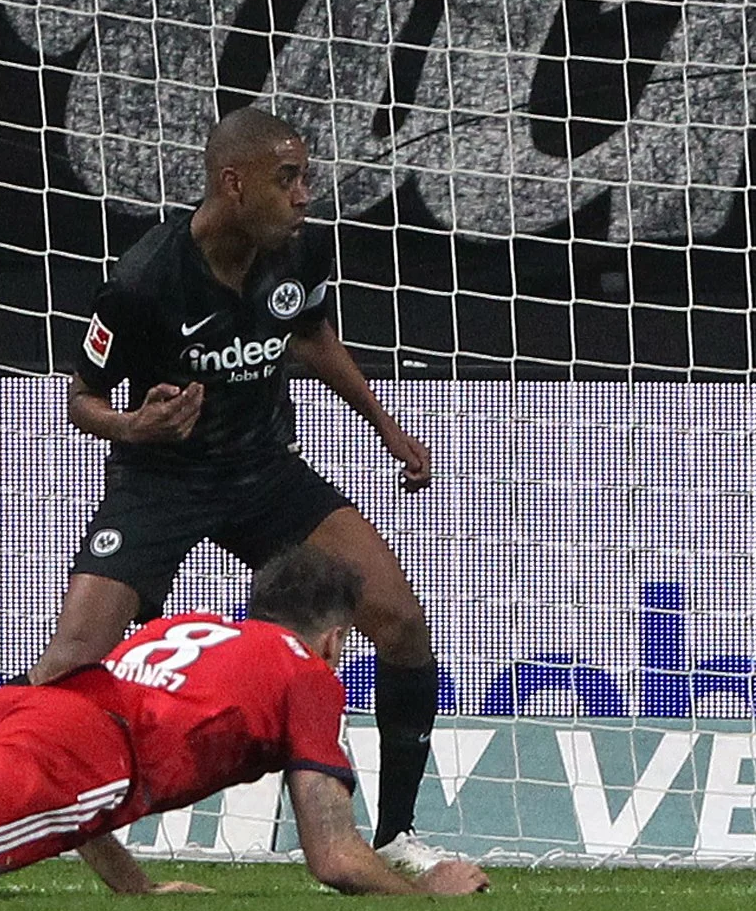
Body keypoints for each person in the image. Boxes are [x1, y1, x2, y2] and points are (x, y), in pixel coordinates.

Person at [28, 106, 445, 870]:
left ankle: (397, 836)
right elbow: (82, 399)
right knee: (72, 659)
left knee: (402, 623)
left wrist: (386, 426)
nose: (304, 194)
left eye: (306, 177)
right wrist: (134, 426)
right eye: (288, 179)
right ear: (234, 183)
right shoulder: (144, 281)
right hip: (163, 479)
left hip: (264, 474)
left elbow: (311, 336)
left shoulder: (298, 251)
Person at [0, 546, 489, 895]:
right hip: (84, 746)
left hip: (23, 705)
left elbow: (76, 800)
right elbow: (334, 855)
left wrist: (135, 887)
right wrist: (423, 892)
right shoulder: (307, 671)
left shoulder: (185, 627)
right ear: (335, 639)